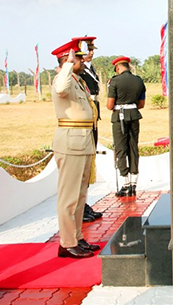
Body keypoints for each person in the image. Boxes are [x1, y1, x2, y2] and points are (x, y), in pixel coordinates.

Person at [50, 40, 101, 259]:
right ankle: (67, 242)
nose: (82, 60)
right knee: (69, 197)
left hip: (83, 140)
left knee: (80, 196)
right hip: (70, 141)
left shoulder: (77, 81)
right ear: (67, 59)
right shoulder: (63, 78)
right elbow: (61, 89)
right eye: (78, 57)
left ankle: (77, 237)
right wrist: (68, 65)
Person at [106, 56, 146, 197]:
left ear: (117, 68)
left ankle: (125, 183)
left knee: (121, 149)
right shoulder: (139, 80)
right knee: (133, 148)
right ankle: (134, 184)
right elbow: (141, 104)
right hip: (134, 115)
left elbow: (110, 105)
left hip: (119, 116)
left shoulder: (115, 81)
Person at [73, 36, 102, 223]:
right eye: (87, 51)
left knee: (89, 165)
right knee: (81, 169)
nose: (90, 54)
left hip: (92, 119)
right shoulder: (77, 74)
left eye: (92, 50)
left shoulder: (89, 70)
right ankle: (80, 206)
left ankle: (84, 203)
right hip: (81, 124)